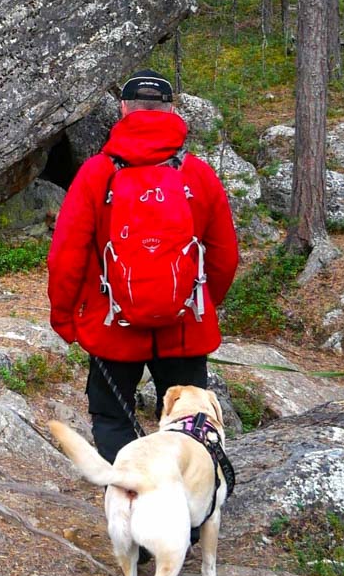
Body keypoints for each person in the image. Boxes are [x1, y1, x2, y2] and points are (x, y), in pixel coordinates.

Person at [47, 70, 240, 465]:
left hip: (111, 325)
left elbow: (66, 254)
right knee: (189, 426)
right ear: (171, 109)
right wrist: (200, 302)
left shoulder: (97, 173)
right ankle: (185, 496)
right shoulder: (198, 174)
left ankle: (127, 491)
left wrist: (65, 317)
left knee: (113, 417)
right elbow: (224, 255)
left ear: (123, 109)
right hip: (185, 327)